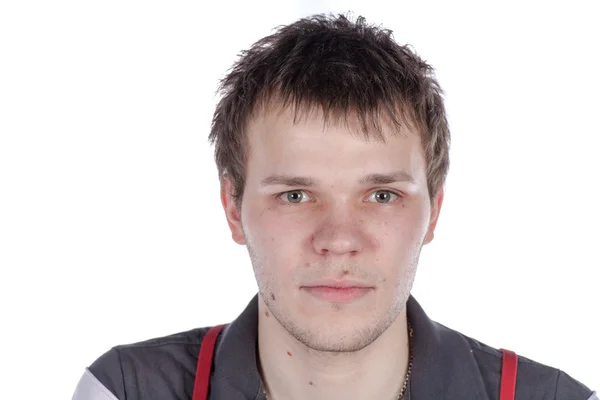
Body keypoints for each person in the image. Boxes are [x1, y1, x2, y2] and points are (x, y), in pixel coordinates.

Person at [72, 13, 596, 400]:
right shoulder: (125, 392)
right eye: (295, 195)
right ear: (233, 208)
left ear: (433, 211)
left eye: (382, 195)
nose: (339, 238)